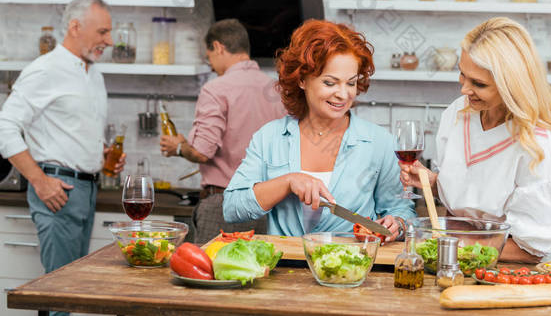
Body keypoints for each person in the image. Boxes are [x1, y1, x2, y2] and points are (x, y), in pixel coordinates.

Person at [399, 17, 551, 262]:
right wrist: (434, 183)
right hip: (453, 259)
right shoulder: (458, 114)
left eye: (479, 83)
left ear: (512, 85)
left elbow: (532, 249)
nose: (464, 90)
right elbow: (471, 195)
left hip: (503, 269)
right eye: (462, 74)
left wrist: (457, 246)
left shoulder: (537, 142)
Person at [223, 20, 416, 240]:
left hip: (353, 267)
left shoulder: (379, 142)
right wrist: (288, 182)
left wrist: (396, 224)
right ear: (302, 80)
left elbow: (402, 210)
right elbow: (232, 208)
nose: (343, 95)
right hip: (283, 268)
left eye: (350, 83)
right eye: (330, 83)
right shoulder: (269, 137)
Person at [0, 0, 125, 315]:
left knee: (70, 292)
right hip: (58, 190)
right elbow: (5, 127)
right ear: (75, 27)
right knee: (60, 295)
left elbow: (70, 129)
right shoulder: (46, 69)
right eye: (103, 32)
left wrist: (102, 155)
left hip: (87, 189)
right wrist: (39, 181)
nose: (109, 41)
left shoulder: (92, 73)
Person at [159, 18, 285, 244]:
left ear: (218, 47)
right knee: (258, 274)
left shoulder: (216, 89)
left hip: (224, 205)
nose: (211, 65)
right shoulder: (277, 90)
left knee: (211, 274)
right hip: (268, 205)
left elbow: (201, 152)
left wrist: (178, 147)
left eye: (209, 58)